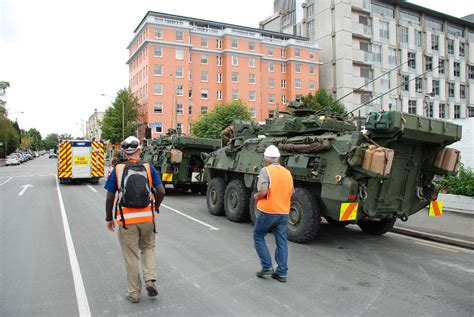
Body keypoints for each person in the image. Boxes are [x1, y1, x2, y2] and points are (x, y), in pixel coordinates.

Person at [104, 136, 165, 303]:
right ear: (140, 150)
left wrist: (109, 218)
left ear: (124, 151)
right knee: (148, 248)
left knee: (131, 257)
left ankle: (134, 294)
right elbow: (161, 192)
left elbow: (110, 197)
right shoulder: (148, 167)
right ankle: (150, 279)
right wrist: (155, 208)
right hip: (147, 219)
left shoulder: (118, 169)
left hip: (126, 221)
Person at [253, 145, 293, 283]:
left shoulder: (266, 171)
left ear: (266, 159)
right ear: (278, 158)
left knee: (258, 236)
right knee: (282, 242)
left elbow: (263, 192)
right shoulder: (287, 172)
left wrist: (256, 196)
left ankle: (267, 266)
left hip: (268, 211)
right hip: (283, 212)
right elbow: (291, 191)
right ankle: (281, 273)